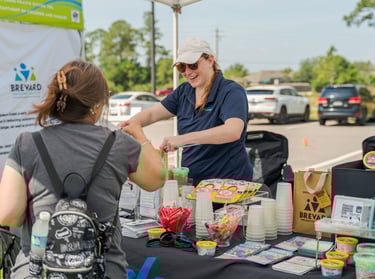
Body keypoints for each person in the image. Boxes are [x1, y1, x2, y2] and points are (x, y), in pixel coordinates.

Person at [0, 59, 166, 279]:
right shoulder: (118, 144)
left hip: (37, 271)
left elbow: (8, 215)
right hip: (104, 271)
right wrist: (141, 136)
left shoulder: (27, 143)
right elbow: (158, 178)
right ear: (96, 106)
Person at [120, 37, 253, 186]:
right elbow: (152, 114)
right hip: (193, 184)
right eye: (182, 67)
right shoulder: (184, 91)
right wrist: (128, 125)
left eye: (193, 65)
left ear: (210, 60)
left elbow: (232, 131)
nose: (188, 72)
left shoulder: (231, 91)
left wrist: (182, 139)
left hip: (228, 185)